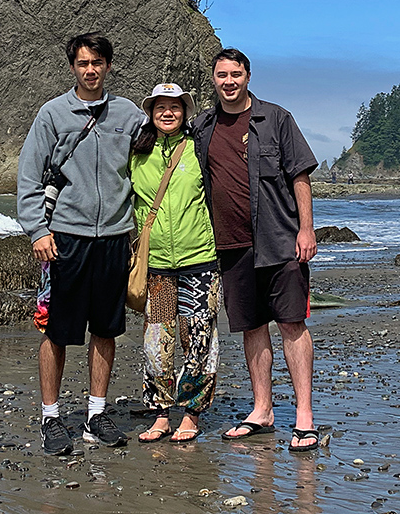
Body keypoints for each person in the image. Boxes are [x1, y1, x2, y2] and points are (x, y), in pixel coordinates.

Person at [17, 32, 144, 455]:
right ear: (73, 67)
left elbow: (151, 163)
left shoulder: (128, 115)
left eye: (98, 62)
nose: (90, 70)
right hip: (65, 239)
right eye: (83, 63)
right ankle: (50, 418)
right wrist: (38, 230)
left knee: (106, 331)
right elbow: (29, 177)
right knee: (56, 331)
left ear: (108, 65)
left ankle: (95, 414)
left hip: (113, 239)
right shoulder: (52, 114)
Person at [191, 48, 320, 452]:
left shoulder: (276, 118)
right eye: (221, 75)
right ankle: (261, 409)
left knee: (291, 323)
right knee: (251, 325)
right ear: (213, 79)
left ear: (248, 76)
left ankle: (304, 415)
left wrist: (306, 229)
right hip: (230, 244)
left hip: (280, 239)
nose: (228, 81)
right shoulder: (204, 126)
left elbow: (299, 176)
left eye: (236, 74)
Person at [129, 83, 220, 444]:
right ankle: (161, 413)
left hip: (199, 258)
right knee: (157, 340)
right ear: (151, 112)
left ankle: (192, 413)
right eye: (160, 107)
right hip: (156, 265)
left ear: (185, 111)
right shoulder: (138, 151)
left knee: (197, 337)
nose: (168, 113)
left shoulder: (198, 149)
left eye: (175, 107)